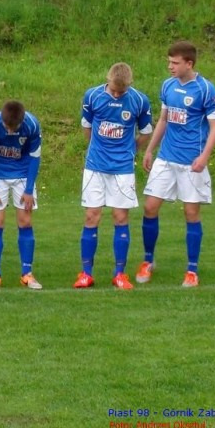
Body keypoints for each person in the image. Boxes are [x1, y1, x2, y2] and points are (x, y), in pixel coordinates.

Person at [139, 41, 215, 287]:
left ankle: (192, 270)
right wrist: (150, 150)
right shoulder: (168, 85)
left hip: (191, 161)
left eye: (175, 63)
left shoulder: (205, 89)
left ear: (189, 63)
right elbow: (163, 120)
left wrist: (204, 157)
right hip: (166, 158)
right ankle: (148, 260)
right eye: (169, 62)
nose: (170, 66)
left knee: (191, 213)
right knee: (150, 207)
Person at [74, 63, 153, 290]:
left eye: (122, 91)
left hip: (122, 169)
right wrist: (97, 149)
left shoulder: (139, 100)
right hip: (95, 167)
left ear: (129, 84)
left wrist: (131, 150)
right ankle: (86, 274)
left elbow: (146, 132)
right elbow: (87, 127)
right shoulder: (93, 96)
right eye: (114, 90)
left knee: (120, 217)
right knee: (91, 216)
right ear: (107, 80)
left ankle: (120, 274)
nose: (117, 94)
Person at [0, 100, 43, 290]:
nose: (9, 131)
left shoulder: (32, 125)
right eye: (7, 127)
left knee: (25, 221)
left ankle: (27, 274)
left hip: (23, 175)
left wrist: (29, 189)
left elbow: (35, 158)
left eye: (13, 128)